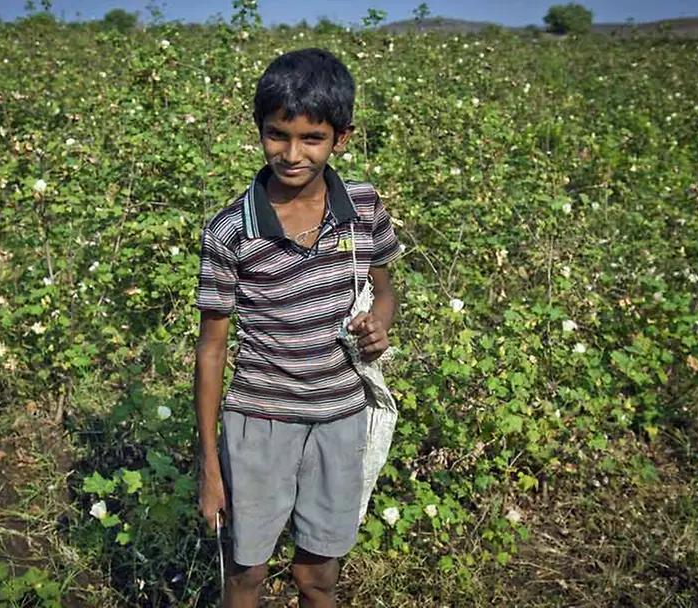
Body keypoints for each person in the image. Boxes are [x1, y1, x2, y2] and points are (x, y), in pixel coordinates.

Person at [193, 47, 402, 608]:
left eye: (311, 138)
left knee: (319, 578)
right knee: (246, 575)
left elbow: (383, 290)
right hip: (259, 423)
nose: (291, 153)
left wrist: (378, 326)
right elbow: (212, 350)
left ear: (342, 138)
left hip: (339, 419)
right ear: (259, 130)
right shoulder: (230, 230)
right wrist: (211, 465)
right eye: (276, 135)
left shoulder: (362, 206)